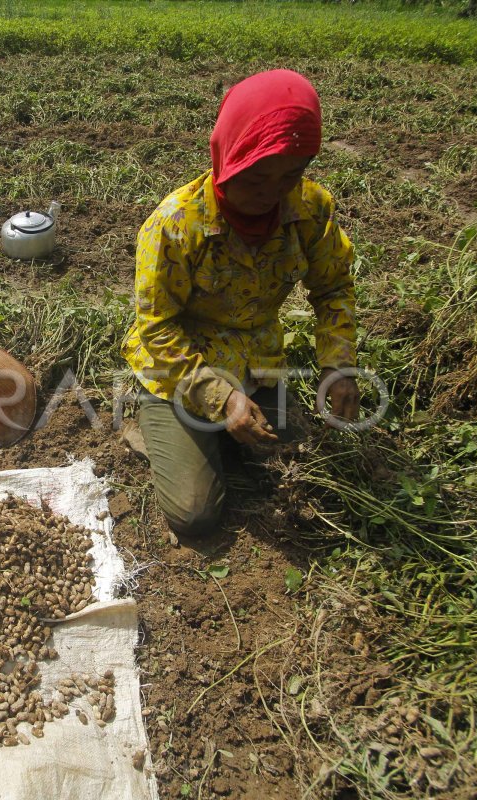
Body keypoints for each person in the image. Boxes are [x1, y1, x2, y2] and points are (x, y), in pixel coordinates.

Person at [121, 69, 360, 537]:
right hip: (178, 367)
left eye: (290, 175)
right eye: (255, 177)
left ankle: (215, 436)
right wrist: (221, 397)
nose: (270, 192)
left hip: (257, 360)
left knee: (299, 465)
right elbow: (158, 328)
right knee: (195, 515)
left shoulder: (309, 209)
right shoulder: (175, 225)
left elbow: (332, 288)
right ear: (226, 156)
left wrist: (338, 364)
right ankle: (151, 420)